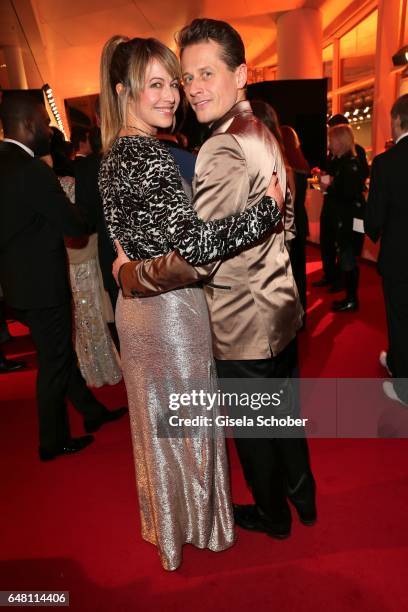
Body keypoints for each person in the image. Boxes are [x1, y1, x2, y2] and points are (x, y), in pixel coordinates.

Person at [116, 19, 316, 543]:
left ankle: (274, 516)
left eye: (208, 73)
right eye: (188, 76)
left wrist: (132, 276)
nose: (194, 87)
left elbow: (196, 260)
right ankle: (303, 496)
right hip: (279, 304)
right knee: (282, 415)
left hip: (239, 321)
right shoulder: (266, 131)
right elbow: (288, 224)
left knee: (254, 431)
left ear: (241, 74)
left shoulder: (220, 148)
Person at [0, 91, 127, 461]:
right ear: (26, 125)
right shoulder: (32, 169)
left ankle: (91, 412)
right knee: (54, 364)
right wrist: (90, 209)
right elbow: (71, 223)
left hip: (18, 285)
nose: (47, 127)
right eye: (42, 121)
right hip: (43, 285)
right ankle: (52, 442)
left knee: (58, 354)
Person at [46, 130, 122, 388]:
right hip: (83, 252)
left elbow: (83, 218)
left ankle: (92, 365)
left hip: (74, 254)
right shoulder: (73, 177)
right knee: (92, 313)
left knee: (84, 314)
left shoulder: (69, 176)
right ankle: (101, 365)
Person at [365, 94, 408, 405]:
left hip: (399, 258)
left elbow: (374, 221)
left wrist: (370, 228)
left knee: (400, 319)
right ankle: (394, 360)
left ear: (397, 120)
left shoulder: (385, 163)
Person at [313, 113, 369, 290]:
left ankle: (341, 282)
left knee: (345, 247)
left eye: (332, 132)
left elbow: (354, 182)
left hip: (345, 209)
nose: (330, 139)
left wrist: (331, 184)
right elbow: (333, 178)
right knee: (328, 242)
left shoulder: (354, 153)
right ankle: (331, 276)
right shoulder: (334, 155)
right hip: (332, 204)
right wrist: (324, 178)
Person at [327, 124, 366, 312]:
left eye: (332, 140)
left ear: (340, 140)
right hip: (350, 218)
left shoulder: (350, 164)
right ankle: (350, 297)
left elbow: (347, 194)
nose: (329, 144)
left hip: (350, 220)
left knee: (348, 257)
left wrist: (330, 187)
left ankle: (351, 299)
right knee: (347, 257)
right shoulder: (345, 161)